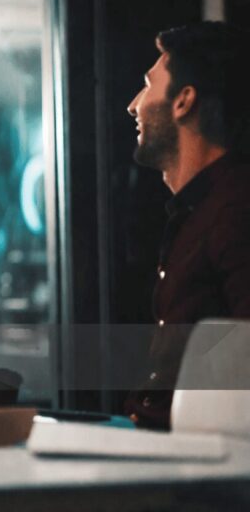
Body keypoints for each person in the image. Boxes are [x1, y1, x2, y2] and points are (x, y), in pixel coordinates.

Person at [123, 21, 250, 429]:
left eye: (148, 85)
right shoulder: (198, 211)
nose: (133, 104)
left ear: (183, 102)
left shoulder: (234, 210)